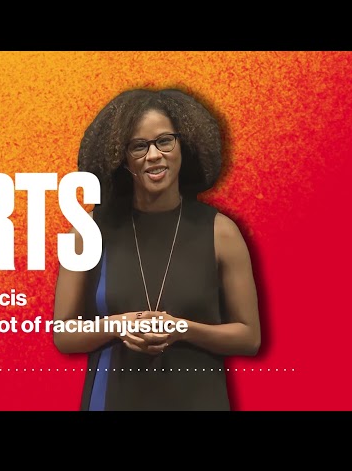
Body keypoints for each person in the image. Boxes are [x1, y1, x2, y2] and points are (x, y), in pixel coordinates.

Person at [53, 88, 261, 411]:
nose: (153, 155)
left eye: (164, 141)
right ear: (122, 158)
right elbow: (63, 333)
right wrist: (119, 325)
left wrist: (183, 330)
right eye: (139, 146)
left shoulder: (221, 232)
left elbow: (249, 337)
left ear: (184, 146)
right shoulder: (87, 230)